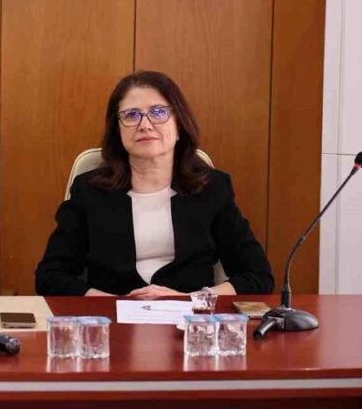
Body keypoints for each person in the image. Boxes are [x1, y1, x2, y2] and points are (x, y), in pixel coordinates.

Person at [35, 71, 273, 298]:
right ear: (117, 131)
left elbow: (257, 276)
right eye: (131, 115)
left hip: (189, 320)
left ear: (179, 126)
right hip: (112, 320)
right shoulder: (89, 191)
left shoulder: (212, 188)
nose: (145, 125)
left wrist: (190, 299)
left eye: (158, 112)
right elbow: (50, 276)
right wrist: (109, 303)